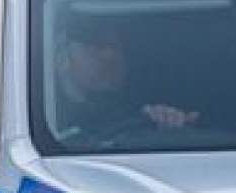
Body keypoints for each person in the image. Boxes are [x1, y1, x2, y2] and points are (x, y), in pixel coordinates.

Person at [54, 15, 198, 146]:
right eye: (95, 47)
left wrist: (165, 123)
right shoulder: (44, 120)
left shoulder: (133, 111)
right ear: (62, 58)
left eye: (116, 47)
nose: (110, 55)